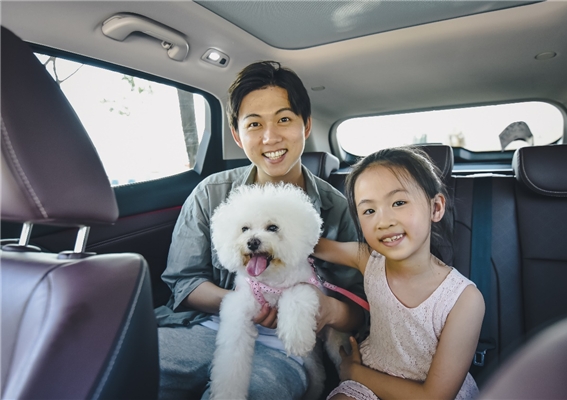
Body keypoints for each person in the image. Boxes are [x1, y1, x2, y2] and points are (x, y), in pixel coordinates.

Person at [154, 60, 366, 400]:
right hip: (202, 327)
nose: (270, 137)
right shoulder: (210, 194)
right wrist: (243, 304)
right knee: (120, 368)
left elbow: (360, 307)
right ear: (237, 135)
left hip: (286, 350)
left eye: (284, 119)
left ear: (306, 125)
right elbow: (183, 282)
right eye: (254, 124)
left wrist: (327, 310)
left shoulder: (337, 207)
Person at [313, 147, 485, 400]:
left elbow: (433, 397)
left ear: (436, 207)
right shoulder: (368, 259)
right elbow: (308, 243)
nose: (384, 221)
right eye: (369, 211)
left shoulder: (464, 300)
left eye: (399, 203)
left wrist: (354, 372)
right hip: (370, 379)